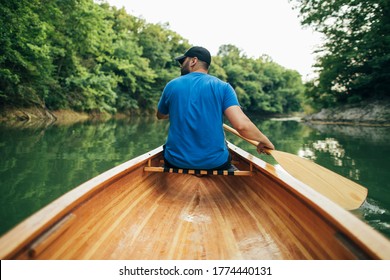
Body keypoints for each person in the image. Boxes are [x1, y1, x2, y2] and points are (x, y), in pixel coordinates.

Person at [156, 46, 275, 170]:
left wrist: (177, 111)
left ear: (193, 61)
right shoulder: (223, 87)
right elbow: (242, 126)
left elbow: (160, 115)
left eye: (183, 61)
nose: (181, 66)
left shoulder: (171, 85)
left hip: (176, 161)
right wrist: (264, 140)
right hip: (215, 163)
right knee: (225, 153)